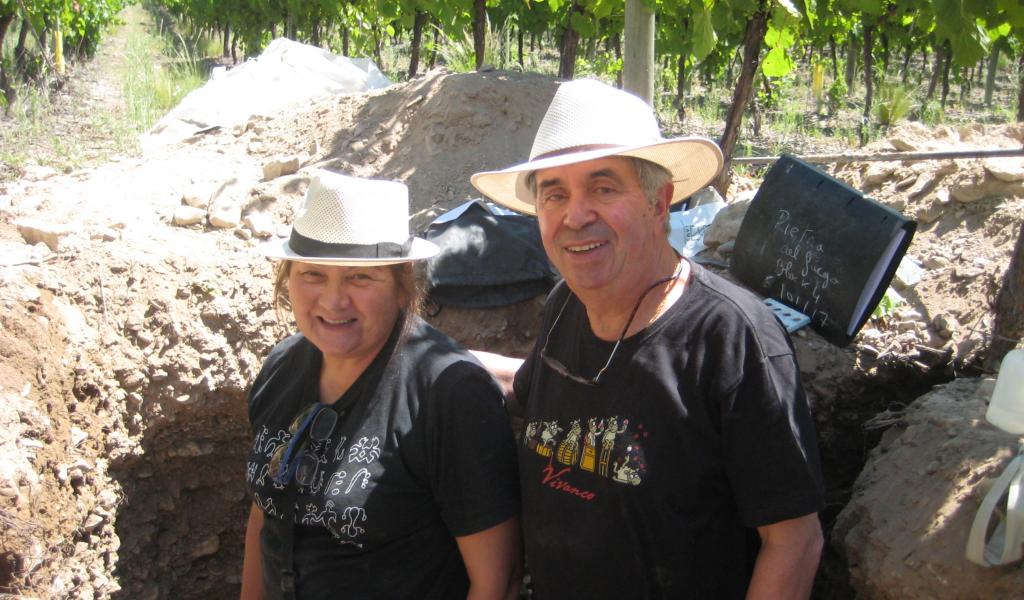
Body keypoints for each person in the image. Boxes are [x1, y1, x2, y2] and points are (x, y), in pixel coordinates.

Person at [469, 79, 825, 599]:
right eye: (555, 193)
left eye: (604, 188)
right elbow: (531, 391)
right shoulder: (566, 304)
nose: (575, 215)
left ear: (658, 203)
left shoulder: (731, 340)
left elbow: (795, 542)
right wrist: (428, 360)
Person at [240, 171, 521, 600]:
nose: (334, 301)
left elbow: (494, 582)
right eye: (313, 275)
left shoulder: (448, 394)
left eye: (360, 277)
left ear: (401, 285)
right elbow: (267, 511)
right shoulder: (282, 367)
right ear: (288, 278)